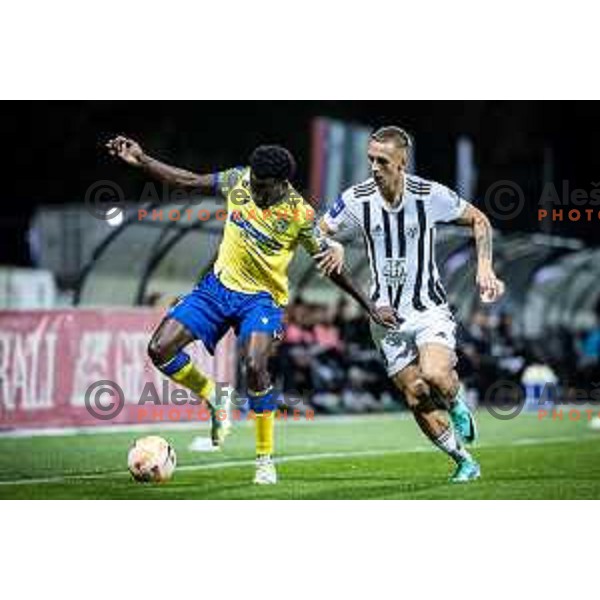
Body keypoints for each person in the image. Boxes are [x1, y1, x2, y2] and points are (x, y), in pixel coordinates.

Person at [106, 136, 396, 484]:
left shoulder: (300, 214)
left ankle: (264, 459)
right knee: (159, 349)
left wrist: (369, 307)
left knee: (256, 365)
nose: (255, 192)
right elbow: (188, 180)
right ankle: (213, 394)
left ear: (283, 184)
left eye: (263, 188)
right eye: (254, 185)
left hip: (261, 299)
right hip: (216, 289)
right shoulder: (238, 179)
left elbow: (331, 267)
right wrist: (144, 160)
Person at [317, 126, 505, 483]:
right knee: (416, 394)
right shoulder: (356, 198)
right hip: (384, 317)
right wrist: (333, 244)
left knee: (434, 374)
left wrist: (484, 266)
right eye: (370, 159)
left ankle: (456, 401)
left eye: (382, 160)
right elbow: (317, 230)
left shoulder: (429, 194)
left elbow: (479, 219)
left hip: (427, 308)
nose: (374, 167)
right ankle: (464, 460)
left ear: (402, 162)